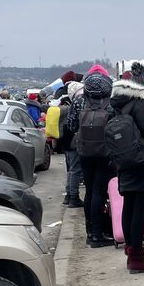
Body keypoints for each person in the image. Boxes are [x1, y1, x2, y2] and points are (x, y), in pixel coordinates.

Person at [110, 70, 144, 273]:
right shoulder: (140, 104)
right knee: (139, 210)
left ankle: (130, 251)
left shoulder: (118, 104)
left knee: (129, 207)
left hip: (124, 162)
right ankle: (137, 256)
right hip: (141, 161)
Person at [65, 71, 116, 247]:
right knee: (100, 192)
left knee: (89, 191)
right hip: (105, 153)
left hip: (84, 152)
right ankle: (98, 234)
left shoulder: (79, 101)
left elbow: (71, 126)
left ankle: (89, 232)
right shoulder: (110, 104)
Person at [61, 80, 85, 208]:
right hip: (75, 140)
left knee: (71, 169)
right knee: (75, 169)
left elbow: (70, 124)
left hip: (67, 140)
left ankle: (69, 196)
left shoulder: (73, 102)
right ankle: (73, 198)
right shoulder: (81, 101)